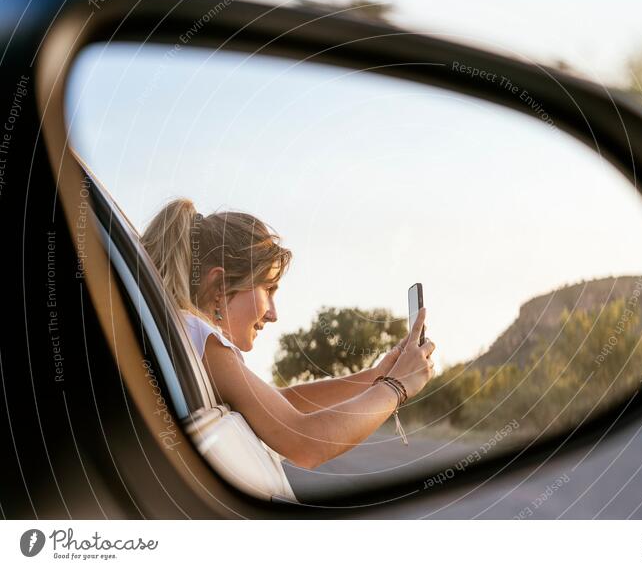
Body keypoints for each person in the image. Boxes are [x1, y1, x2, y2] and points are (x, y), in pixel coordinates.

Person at [140, 198, 436, 500]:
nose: (273, 314)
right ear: (220, 285)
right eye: (268, 290)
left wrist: (374, 376)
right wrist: (396, 387)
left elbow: (282, 403)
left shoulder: (186, 335)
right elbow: (306, 441)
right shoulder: (199, 336)